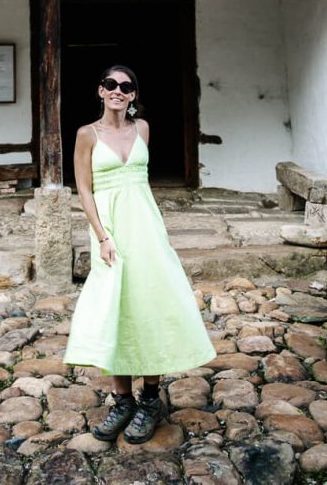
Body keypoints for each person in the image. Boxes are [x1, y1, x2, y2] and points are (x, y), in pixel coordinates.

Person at [63, 65, 216, 444]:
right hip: (111, 231)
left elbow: (142, 184)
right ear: (100, 91)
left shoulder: (143, 128)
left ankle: (150, 399)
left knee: (149, 305)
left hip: (146, 228)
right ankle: (122, 400)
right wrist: (101, 236)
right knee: (116, 307)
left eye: (126, 86)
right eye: (111, 84)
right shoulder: (86, 135)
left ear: (133, 95)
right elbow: (84, 189)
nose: (118, 90)